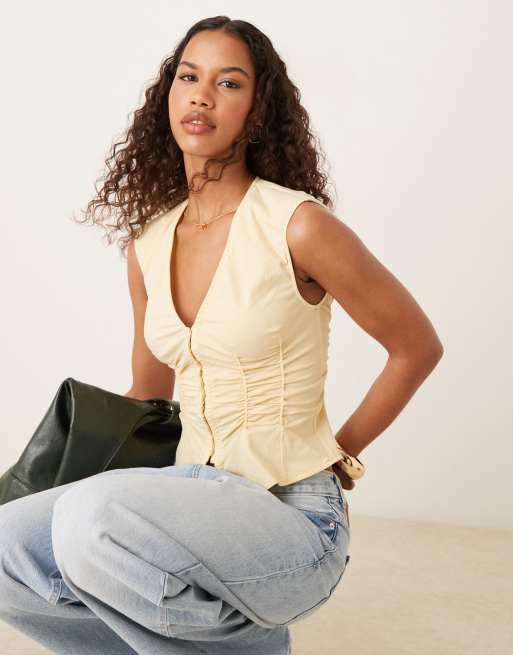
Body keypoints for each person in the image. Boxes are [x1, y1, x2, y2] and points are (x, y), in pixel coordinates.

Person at [0, 15, 443, 655]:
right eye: (189, 77)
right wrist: (70, 474)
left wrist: (340, 455)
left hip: (292, 515)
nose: (202, 96)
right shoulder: (148, 246)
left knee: (88, 520)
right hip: (189, 501)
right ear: (168, 96)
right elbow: (148, 398)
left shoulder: (298, 225)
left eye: (228, 83)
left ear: (256, 112)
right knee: (11, 543)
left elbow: (416, 347)